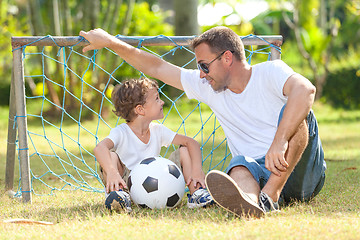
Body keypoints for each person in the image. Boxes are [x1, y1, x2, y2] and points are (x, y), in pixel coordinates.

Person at [81, 26, 326, 218]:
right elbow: (156, 66)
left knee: (300, 116)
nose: (201, 73)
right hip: (258, 172)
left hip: (300, 172)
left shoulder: (271, 71)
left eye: (204, 65)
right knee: (239, 165)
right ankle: (252, 204)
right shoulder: (209, 87)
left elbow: (306, 90)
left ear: (227, 58)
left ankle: (269, 197)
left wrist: (280, 141)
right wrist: (110, 42)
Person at [93, 78, 213, 212]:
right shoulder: (121, 132)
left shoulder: (157, 130)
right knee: (111, 155)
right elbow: (100, 148)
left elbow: (192, 143)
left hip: (157, 181)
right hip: (126, 183)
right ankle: (119, 196)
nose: (162, 102)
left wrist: (196, 170)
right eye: (157, 99)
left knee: (185, 150)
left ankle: (197, 193)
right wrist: (112, 172)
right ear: (140, 109)